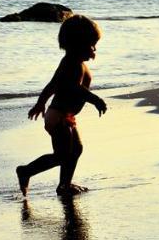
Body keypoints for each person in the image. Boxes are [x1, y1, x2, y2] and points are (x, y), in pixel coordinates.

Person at [18, 15, 107, 197]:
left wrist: (40, 103)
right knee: (62, 155)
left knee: (76, 149)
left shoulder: (74, 63)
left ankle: (65, 184)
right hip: (58, 116)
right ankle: (26, 171)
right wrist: (95, 99)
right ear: (78, 44)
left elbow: (53, 84)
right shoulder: (71, 64)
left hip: (64, 115)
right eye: (92, 44)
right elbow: (74, 89)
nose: (94, 49)